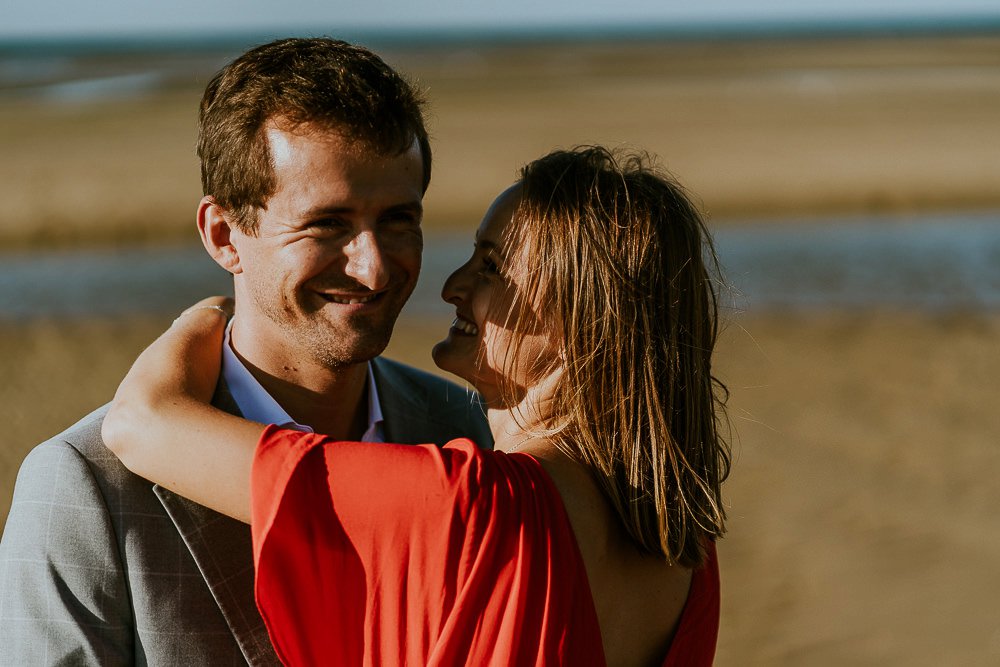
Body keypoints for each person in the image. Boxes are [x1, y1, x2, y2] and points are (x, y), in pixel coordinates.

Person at [104, 146, 730, 666]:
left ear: (583, 326)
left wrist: (212, 312)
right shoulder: (688, 551)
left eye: (492, 267)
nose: (453, 285)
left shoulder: (470, 504)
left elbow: (140, 422)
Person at [0, 38, 490, 665]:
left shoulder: (468, 434)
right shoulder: (87, 487)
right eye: (327, 224)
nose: (373, 269)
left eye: (399, 220)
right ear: (225, 236)